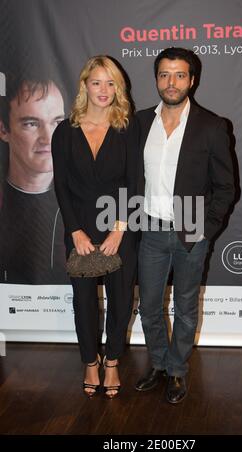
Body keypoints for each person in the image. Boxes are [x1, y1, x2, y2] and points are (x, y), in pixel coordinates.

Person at [135, 47, 235, 404]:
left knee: (186, 306)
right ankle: (159, 364)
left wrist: (204, 228)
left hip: (191, 227)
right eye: (164, 74)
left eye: (179, 75)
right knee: (148, 305)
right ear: (157, 79)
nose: (171, 82)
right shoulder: (140, 122)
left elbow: (226, 187)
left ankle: (177, 370)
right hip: (149, 228)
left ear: (192, 80)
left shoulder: (212, 125)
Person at [51, 55, 138, 398]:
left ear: (119, 87)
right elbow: (61, 185)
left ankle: (112, 361)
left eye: (111, 82)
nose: (104, 90)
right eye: (97, 82)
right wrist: (75, 230)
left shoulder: (128, 127)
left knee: (119, 298)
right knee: (84, 299)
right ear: (85, 85)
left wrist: (119, 229)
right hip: (79, 226)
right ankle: (90, 360)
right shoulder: (65, 130)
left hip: (120, 225)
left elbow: (135, 181)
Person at [0, 70, 68, 284]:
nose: (48, 138)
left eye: (56, 122)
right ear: (3, 130)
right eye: (31, 123)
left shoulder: (84, 200)